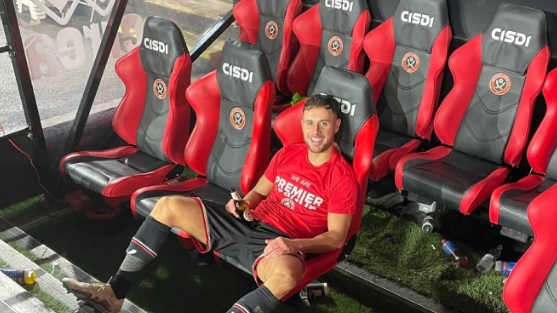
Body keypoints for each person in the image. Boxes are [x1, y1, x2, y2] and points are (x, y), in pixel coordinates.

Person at [62, 94, 358, 313]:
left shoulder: (342, 176)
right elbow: (257, 193)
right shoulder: (288, 154)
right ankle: (114, 293)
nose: (315, 131)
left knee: (286, 277)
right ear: (302, 125)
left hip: (280, 242)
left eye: (323, 124)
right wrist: (241, 204)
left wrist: (295, 246)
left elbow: (336, 238)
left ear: (336, 127)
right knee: (168, 206)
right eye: (310, 123)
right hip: (246, 223)